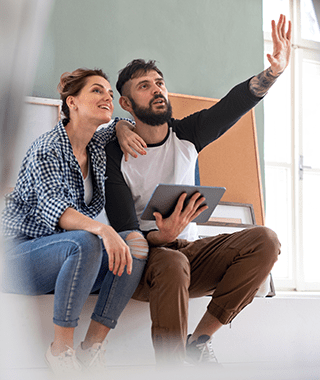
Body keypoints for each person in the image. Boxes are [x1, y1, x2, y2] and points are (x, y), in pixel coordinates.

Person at [105, 15, 290, 367]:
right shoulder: (115, 153)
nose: (157, 89)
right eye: (144, 86)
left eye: (159, 82)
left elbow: (232, 105)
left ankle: (199, 340)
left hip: (188, 253)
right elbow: (124, 229)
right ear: (126, 104)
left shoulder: (187, 134)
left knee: (266, 240)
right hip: (144, 261)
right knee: (172, 259)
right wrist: (162, 236)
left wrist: (273, 73)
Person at [0, 68, 149, 375]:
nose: (107, 96)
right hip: (17, 259)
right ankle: (60, 350)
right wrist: (104, 229)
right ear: (72, 103)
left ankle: (91, 347)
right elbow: (58, 211)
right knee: (87, 240)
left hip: (62, 259)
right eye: (97, 91)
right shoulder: (48, 149)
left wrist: (121, 127)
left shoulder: (94, 144)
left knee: (135, 244)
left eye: (109, 92)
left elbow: (123, 123)